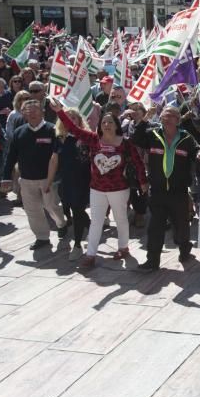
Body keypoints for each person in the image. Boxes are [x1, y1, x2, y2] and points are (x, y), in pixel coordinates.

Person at [50, 98, 146, 269]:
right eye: (103, 122)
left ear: (116, 125)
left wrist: (143, 182)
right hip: (97, 189)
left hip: (119, 189)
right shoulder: (93, 139)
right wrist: (59, 112)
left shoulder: (125, 143)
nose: (106, 125)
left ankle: (123, 247)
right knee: (96, 222)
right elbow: (74, 129)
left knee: (121, 219)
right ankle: (90, 255)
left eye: (110, 122)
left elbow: (138, 162)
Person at [132, 106, 200, 271]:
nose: (167, 119)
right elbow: (136, 139)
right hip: (157, 191)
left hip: (178, 193)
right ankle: (152, 261)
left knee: (181, 227)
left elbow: (196, 153)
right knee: (155, 227)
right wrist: (144, 120)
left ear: (178, 120)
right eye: (164, 116)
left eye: (172, 116)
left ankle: (184, 247)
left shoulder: (186, 138)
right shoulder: (153, 134)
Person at [1, 99, 66, 250]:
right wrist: (5, 177)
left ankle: (61, 223)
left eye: (35, 110)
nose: (32, 114)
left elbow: (58, 156)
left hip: (48, 179)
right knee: (33, 210)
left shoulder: (52, 130)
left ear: (42, 112)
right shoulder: (19, 132)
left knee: (51, 206)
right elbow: (11, 156)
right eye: (28, 111)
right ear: (23, 113)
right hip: (27, 179)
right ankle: (42, 237)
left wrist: (57, 177)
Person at [48, 107, 92, 261]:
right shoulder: (60, 138)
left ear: (79, 120)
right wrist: (49, 182)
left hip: (83, 181)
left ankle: (78, 244)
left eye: (74, 118)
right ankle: (93, 229)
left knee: (78, 211)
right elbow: (54, 161)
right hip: (66, 181)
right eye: (67, 118)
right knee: (73, 210)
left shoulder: (86, 138)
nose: (70, 121)